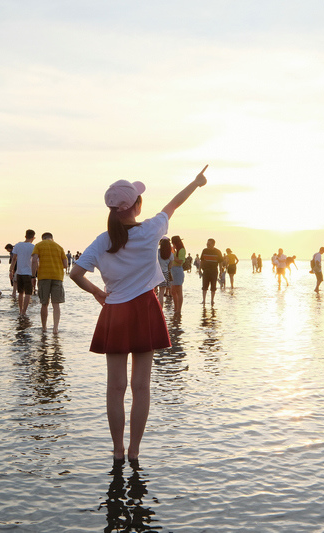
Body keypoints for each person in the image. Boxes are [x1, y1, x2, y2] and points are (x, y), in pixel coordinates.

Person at [69, 165, 208, 463]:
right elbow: (174, 204)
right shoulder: (150, 230)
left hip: (115, 311)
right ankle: (134, 451)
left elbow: (76, 273)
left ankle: (117, 451)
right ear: (136, 205)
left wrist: (96, 292)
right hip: (145, 309)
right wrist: (196, 182)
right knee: (141, 387)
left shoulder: (103, 240)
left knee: (115, 388)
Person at [32, 232, 68, 334]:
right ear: (52, 238)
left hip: (43, 277)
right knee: (56, 304)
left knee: (44, 303)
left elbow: (34, 261)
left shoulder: (38, 245)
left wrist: (32, 275)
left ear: (43, 238)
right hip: (57, 277)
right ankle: (55, 329)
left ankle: (44, 328)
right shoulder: (59, 247)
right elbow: (65, 264)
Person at [11, 230, 36, 317]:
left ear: (25, 236)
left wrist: (11, 271)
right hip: (28, 273)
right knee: (28, 293)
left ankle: (20, 310)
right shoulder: (34, 247)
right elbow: (35, 262)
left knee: (20, 292)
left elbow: (14, 259)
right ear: (33, 237)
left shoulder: (18, 245)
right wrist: (35, 275)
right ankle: (24, 312)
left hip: (19, 272)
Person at [200, 238, 223, 305]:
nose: (207, 245)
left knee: (213, 286)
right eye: (207, 244)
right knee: (204, 286)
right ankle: (203, 300)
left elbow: (220, 262)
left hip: (214, 270)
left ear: (213, 244)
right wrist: (199, 270)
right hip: (206, 270)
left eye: (209, 244)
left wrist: (221, 271)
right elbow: (202, 260)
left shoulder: (218, 252)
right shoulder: (204, 250)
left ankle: (212, 300)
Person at [169, 236, 186, 315]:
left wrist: (173, 256)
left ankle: (179, 309)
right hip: (173, 270)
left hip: (178, 270)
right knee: (173, 291)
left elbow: (181, 261)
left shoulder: (182, 250)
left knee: (179, 290)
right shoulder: (175, 250)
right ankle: (175, 307)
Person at [156, 238, 173, 303]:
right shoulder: (170, 254)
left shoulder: (157, 252)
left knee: (154, 293)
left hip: (156, 273)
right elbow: (170, 266)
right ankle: (161, 310)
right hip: (165, 274)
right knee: (161, 294)